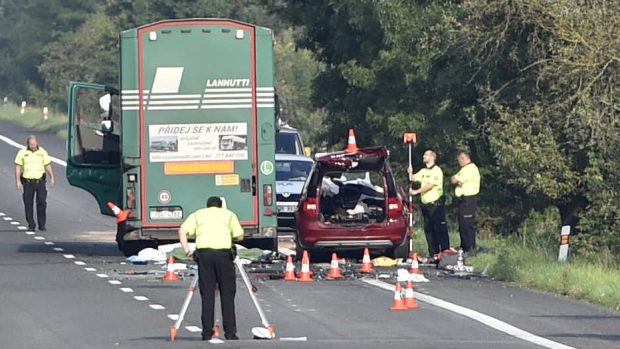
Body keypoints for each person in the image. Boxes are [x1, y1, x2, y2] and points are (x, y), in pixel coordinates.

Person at [178, 196, 244, 341]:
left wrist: (187, 251)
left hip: (204, 255)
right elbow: (239, 236)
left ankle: (207, 332)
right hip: (224, 256)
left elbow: (182, 231)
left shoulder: (198, 214)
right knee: (227, 294)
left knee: (207, 294)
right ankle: (230, 332)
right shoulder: (229, 215)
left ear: (207, 206)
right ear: (220, 206)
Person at [409, 150, 450, 261]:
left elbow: (430, 185)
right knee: (428, 229)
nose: (423, 156)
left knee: (439, 229)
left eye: (426, 155)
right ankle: (433, 253)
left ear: (432, 157)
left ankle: (445, 252)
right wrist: (410, 172)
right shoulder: (423, 171)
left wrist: (416, 191)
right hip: (426, 205)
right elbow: (413, 178)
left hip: (436, 204)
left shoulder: (437, 171)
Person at [14, 135, 55, 231]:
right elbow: (18, 167)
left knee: (41, 201)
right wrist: (17, 181)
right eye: (31, 144)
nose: (33, 146)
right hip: (28, 182)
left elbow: (47, 165)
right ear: (27, 144)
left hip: (40, 181)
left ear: (37, 143)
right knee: (28, 203)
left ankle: (42, 224)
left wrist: (52, 177)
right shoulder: (22, 153)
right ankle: (31, 224)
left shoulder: (42, 152)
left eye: (34, 144)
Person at [451, 150, 481, 253]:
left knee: (467, 225)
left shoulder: (469, 169)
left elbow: (454, 180)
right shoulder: (465, 169)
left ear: (463, 158)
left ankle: (470, 248)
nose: (459, 162)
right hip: (463, 201)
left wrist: (456, 179)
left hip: (468, 199)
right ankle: (464, 247)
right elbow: (454, 179)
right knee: (462, 224)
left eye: (459, 160)